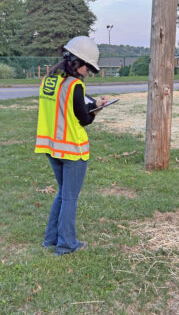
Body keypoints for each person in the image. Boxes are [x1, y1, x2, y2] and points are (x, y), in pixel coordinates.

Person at [35, 36, 107, 255]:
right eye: (88, 67)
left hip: (51, 147)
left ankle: (51, 239)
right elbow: (83, 118)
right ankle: (66, 244)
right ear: (78, 62)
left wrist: (91, 104)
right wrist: (96, 110)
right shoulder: (74, 85)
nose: (89, 72)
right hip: (72, 150)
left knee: (62, 194)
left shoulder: (49, 81)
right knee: (69, 198)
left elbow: (64, 108)